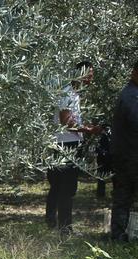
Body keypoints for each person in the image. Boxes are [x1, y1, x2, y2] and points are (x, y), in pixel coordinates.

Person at [46, 61, 102, 234]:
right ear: (81, 73)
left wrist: (85, 126)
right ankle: (65, 228)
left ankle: (52, 222)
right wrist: (88, 129)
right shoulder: (67, 93)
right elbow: (66, 122)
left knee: (57, 185)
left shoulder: (74, 94)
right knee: (66, 188)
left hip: (65, 144)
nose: (91, 78)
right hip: (65, 145)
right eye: (90, 74)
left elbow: (71, 120)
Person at [110, 60, 138, 241]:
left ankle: (119, 235)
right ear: (135, 72)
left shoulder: (131, 93)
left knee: (122, 198)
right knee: (123, 198)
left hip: (126, 155)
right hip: (130, 157)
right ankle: (119, 236)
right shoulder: (132, 96)